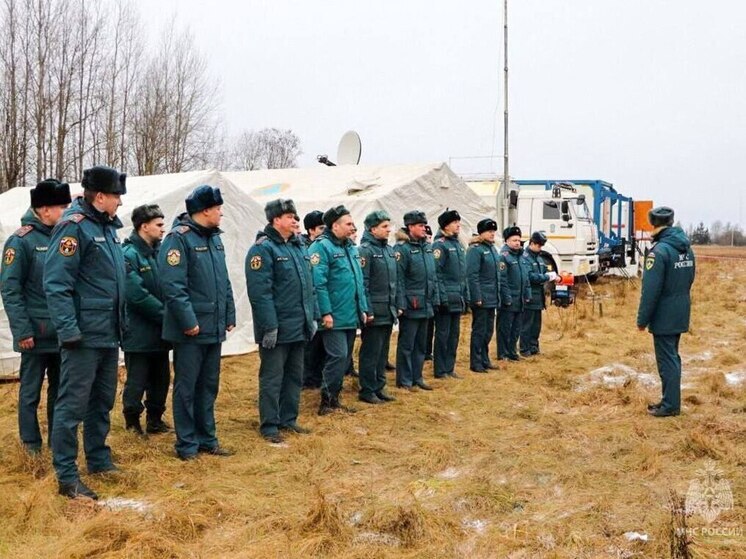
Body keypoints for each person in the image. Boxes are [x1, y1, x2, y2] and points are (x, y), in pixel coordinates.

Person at [45, 166, 127, 500]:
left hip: (107, 334)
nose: (120, 202)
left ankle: (98, 459)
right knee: (72, 406)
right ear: (101, 196)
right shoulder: (73, 228)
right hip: (82, 336)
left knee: (102, 401)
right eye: (117, 196)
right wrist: (68, 330)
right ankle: (66, 476)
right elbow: (56, 284)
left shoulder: (107, 229)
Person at [159, 185, 236, 460]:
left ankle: (207, 439)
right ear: (205, 211)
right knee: (187, 388)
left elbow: (223, 280)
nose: (221, 213)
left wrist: (229, 313)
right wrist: (188, 322)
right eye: (218, 209)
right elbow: (172, 286)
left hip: (213, 327)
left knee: (208, 386)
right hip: (191, 330)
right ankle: (187, 444)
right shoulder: (178, 239)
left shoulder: (215, 238)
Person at [1, 179, 71, 455]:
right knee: (30, 392)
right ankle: (31, 444)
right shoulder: (21, 241)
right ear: (44, 209)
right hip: (35, 332)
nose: (65, 211)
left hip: (62, 331)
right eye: (61, 206)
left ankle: (57, 441)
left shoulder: (63, 237)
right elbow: (10, 289)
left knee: (59, 390)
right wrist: (22, 331)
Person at [246, 199, 317, 443]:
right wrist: (269, 326)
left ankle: (289, 419)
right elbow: (260, 293)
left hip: (299, 325)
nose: (296, 220)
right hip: (276, 328)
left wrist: (312, 317)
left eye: (296, 216)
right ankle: (269, 424)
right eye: (290, 216)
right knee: (272, 378)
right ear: (276, 220)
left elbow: (309, 287)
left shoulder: (298, 247)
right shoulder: (262, 249)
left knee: (294, 376)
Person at [637, 206, 695, 418]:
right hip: (680, 310)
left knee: (667, 360)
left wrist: (642, 320)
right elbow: (690, 278)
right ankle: (669, 400)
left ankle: (670, 405)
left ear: (654, 225)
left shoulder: (659, 252)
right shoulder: (686, 248)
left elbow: (650, 291)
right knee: (673, 357)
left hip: (664, 315)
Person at [308, 205, 367, 415]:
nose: (353, 227)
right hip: (333, 316)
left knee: (345, 358)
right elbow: (318, 284)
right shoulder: (321, 248)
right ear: (335, 226)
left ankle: (335, 399)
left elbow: (358, 281)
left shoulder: (350, 247)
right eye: (349, 223)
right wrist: (325, 313)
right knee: (338, 356)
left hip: (350, 314)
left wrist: (364, 308)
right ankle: (326, 401)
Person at [121, 204, 171, 435]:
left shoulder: (160, 253)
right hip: (139, 332)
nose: (163, 229)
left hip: (160, 332)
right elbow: (136, 296)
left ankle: (155, 419)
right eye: (159, 225)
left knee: (161, 378)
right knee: (137, 380)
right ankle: (132, 422)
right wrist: (167, 316)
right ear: (144, 226)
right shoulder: (128, 255)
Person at [394, 211, 439, 391]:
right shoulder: (402, 249)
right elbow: (399, 279)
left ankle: (417, 376)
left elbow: (432, 276)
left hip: (425, 303)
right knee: (407, 344)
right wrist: (401, 303)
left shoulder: (426, 247)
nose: (424, 228)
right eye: (420, 225)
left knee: (421, 344)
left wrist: (434, 297)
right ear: (410, 227)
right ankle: (404, 380)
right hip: (411, 303)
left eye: (424, 225)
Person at [357, 210, 398, 404]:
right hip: (375, 310)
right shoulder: (366, 250)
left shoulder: (388, 250)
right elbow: (363, 283)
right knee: (371, 352)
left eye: (388, 226)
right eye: (384, 226)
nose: (389, 229)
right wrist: (368, 309)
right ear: (373, 229)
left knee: (382, 352)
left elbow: (394, 282)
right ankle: (367, 389)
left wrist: (396, 304)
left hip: (387, 309)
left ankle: (379, 386)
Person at [465, 218, 506, 373]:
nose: (492, 234)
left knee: (488, 330)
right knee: (479, 330)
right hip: (482, 297)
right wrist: (476, 297)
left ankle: (484, 358)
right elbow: (472, 275)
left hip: (492, 296)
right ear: (481, 232)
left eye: (493, 231)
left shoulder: (492, 249)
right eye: (489, 231)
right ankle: (476, 361)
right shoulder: (476, 249)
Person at [432, 209, 468, 380]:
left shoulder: (457, 244)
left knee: (454, 335)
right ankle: (440, 370)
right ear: (446, 225)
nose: (458, 225)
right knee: (443, 335)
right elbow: (436, 274)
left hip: (457, 297)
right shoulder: (440, 245)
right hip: (446, 298)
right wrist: (442, 297)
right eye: (455, 222)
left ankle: (449, 367)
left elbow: (462, 274)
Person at [520, 231, 560, 357]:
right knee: (527, 324)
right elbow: (530, 276)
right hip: (530, 295)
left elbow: (544, 271)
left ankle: (534, 347)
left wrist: (552, 276)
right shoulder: (525, 257)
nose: (540, 248)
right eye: (538, 245)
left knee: (536, 325)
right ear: (532, 243)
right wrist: (547, 277)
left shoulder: (539, 257)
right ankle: (524, 348)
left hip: (539, 296)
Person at [300, 210, 326, 389]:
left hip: (320, 302)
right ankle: (308, 378)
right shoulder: (304, 248)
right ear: (311, 230)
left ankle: (316, 376)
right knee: (310, 346)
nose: (325, 230)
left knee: (321, 344)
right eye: (321, 227)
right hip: (309, 303)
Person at [498, 226, 530, 361]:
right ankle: (503, 353)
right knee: (505, 327)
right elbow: (502, 280)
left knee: (516, 328)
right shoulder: (504, 257)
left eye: (519, 240)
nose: (517, 243)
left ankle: (512, 352)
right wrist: (507, 297)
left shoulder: (522, 257)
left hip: (520, 299)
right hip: (509, 299)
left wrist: (527, 294)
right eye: (514, 240)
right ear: (506, 241)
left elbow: (526, 277)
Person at [424, 225, 435, 362]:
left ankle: (428, 350)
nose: (428, 239)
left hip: (431, 296)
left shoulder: (430, 252)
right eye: (427, 237)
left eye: (430, 237)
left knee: (430, 326)